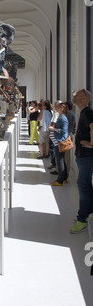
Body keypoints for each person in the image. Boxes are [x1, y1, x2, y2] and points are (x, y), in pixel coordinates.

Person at [69, 89, 93, 234]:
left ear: (84, 98)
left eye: (77, 95)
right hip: (84, 155)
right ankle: (88, 214)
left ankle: (82, 219)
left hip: (86, 156)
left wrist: (91, 144)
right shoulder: (84, 112)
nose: (74, 97)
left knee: (83, 186)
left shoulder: (88, 112)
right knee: (87, 186)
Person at [48, 101, 68, 186]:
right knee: (61, 160)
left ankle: (60, 180)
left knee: (60, 161)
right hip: (57, 141)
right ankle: (64, 178)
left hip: (59, 142)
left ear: (62, 108)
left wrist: (53, 129)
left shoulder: (63, 118)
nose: (56, 108)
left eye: (58, 107)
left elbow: (63, 131)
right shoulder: (61, 117)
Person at [65, 100, 76, 175]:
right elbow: (74, 125)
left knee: (65, 156)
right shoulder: (72, 114)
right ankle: (66, 171)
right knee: (67, 156)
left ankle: (65, 172)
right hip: (70, 135)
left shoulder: (67, 114)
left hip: (66, 136)